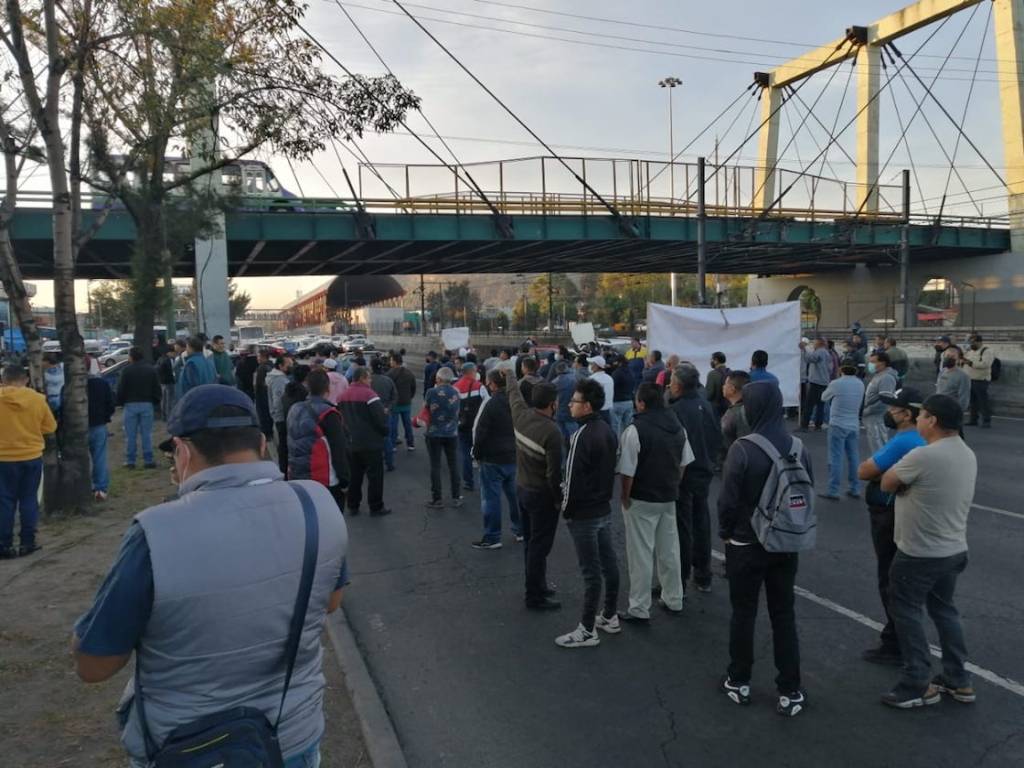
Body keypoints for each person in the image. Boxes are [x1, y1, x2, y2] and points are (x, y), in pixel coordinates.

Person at [71, 384, 348, 767]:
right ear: (262, 444)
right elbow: (331, 602)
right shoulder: (317, 504)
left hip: (188, 745)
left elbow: (94, 664)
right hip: (293, 734)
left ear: (182, 451)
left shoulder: (155, 532)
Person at [718, 381, 812, 716]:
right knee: (783, 614)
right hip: (786, 544)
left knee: (744, 613)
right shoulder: (798, 446)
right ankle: (791, 689)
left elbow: (727, 501)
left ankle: (739, 679)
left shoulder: (742, 449)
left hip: (746, 543)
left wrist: (725, 534)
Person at [879, 394, 977, 708]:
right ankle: (957, 679)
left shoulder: (924, 455)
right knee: (944, 611)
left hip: (919, 552)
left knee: (906, 612)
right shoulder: (966, 452)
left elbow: (887, 482)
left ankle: (917, 681)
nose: (918, 420)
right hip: (953, 548)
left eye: (922, 416)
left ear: (932, 420)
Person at [857, 387, 927, 667]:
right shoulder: (926, 438)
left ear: (907, 414)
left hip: (888, 513)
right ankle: (898, 637)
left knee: (889, 577)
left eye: (893, 408)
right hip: (910, 514)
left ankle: (896, 644)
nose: (888, 412)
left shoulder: (904, 440)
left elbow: (865, 470)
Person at [617, 382, 693, 623]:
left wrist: (625, 497)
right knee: (669, 550)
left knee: (640, 554)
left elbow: (627, 471)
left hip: (641, 497)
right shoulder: (678, 427)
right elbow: (684, 462)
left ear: (641, 403)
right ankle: (674, 598)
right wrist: (673, 485)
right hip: (668, 496)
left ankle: (639, 607)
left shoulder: (635, 429)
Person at [555, 378, 619, 648]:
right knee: (609, 564)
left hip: (584, 514)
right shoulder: (606, 429)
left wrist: (566, 510)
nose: (570, 404)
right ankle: (609, 614)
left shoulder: (580, 435)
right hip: (603, 507)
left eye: (575, 401)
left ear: (588, 406)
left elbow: (570, 479)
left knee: (591, 572)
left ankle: (587, 629)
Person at [504, 370, 563, 611]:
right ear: (552, 404)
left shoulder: (521, 415)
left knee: (531, 543)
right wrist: (559, 500)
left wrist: (508, 373)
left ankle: (538, 585)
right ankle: (534, 596)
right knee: (540, 547)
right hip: (542, 496)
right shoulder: (552, 432)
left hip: (523, 489)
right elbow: (554, 474)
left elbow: (513, 394)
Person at [668, 365, 722, 594]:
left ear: (678, 385)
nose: (669, 385)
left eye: (671, 381)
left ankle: (679, 578)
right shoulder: (705, 405)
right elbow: (716, 436)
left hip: (686, 474)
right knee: (701, 522)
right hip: (704, 470)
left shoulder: (677, 409)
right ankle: (703, 574)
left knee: (682, 527)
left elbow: (675, 446)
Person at [0, 364, 57, 559]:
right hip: (31, 456)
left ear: (3, 380)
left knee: (4, 501)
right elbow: (50, 427)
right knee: (28, 499)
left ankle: (4, 545)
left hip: (3, 458)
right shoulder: (37, 400)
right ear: (25, 380)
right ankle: (27, 542)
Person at [471, 370, 521, 549]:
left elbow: (481, 431)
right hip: (513, 454)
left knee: (491, 498)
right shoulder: (516, 401)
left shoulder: (491, 404)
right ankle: (520, 529)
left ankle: (492, 536)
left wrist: (476, 453)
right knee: (514, 495)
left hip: (492, 457)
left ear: (492, 384)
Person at [287, 369, 350, 512]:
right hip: (323, 479)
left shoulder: (294, 409)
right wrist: (345, 480)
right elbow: (339, 450)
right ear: (328, 388)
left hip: (297, 476)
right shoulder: (328, 414)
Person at [338, 367, 391, 517]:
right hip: (371, 442)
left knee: (355, 475)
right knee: (375, 476)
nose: (370, 381)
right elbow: (379, 418)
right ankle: (376, 506)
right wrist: (385, 432)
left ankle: (353, 505)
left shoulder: (342, 396)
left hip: (352, 442)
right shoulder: (369, 394)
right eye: (368, 378)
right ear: (362, 378)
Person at [819, 356, 865, 501]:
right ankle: (855, 488)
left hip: (838, 424)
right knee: (853, 457)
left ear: (840, 369)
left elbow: (823, 397)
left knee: (835, 457)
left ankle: (833, 490)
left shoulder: (836, 383)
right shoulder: (860, 384)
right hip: (854, 424)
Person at [422, 366, 462, 508]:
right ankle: (456, 497)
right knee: (453, 465)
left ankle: (437, 499)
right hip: (451, 433)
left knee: (435, 466)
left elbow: (425, 410)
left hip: (434, 433)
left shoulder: (431, 392)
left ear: (438, 379)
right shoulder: (457, 392)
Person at [117, 347, 162, 470]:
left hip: (130, 404)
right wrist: (155, 401)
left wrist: (120, 402)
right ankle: (149, 460)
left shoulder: (126, 371)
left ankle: (130, 460)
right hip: (147, 403)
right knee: (146, 434)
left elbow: (121, 389)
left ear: (131, 357)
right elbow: (156, 388)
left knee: (130, 435)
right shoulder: (150, 370)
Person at [451, 361, 485, 493]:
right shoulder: (479, 386)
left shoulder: (455, 387)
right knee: (481, 453)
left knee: (465, 453)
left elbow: (453, 408)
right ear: (471, 372)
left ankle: (468, 482)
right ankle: (484, 482)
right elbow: (487, 405)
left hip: (463, 425)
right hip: (478, 425)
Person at [88, 370, 116, 502]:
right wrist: (105, 417)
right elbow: (110, 403)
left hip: (77, 427)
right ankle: (100, 488)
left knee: (81, 459)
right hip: (98, 424)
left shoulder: (69, 386)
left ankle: (84, 487)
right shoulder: (102, 384)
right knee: (100, 457)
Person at [864, 351, 899, 454]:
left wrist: (867, 411)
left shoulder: (886, 378)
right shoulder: (879, 375)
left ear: (882, 363)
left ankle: (881, 468)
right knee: (875, 446)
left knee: (879, 447)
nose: (870, 365)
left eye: (873, 362)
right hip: (872, 417)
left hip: (877, 418)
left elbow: (885, 400)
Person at [267, 355, 294, 475]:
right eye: (288, 365)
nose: (291, 367)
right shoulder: (279, 380)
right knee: (284, 446)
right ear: (280, 366)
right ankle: (283, 471)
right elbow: (278, 401)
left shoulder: (281, 378)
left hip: (280, 417)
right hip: (282, 418)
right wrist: (280, 417)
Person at [369, 357, 397, 471]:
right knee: (387, 439)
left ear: (371, 367)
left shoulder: (368, 381)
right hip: (385, 413)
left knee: (371, 440)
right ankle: (390, 464)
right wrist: (388, 408)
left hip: (371, 415)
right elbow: (394, 397)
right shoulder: (388, 380)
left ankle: (373, 465)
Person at [387, 352, 417, 452]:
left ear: (395, 362)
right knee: (407, 424)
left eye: (391, 360)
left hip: (395, 404)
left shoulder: (390, 374)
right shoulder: (409, 373)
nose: (390, 362)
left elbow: (388, 389)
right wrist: (409, 397)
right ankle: (410, 444)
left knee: (393, 425)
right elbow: (413, 388)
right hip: (406, 403)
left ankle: (393, 444)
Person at [799, 338, 831, 431]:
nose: (813, 345)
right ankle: (818, 424)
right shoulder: (826, 353)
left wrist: (803, 349)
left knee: (809, 404)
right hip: (824, 381)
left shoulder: (819, 352)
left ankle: (804, 425)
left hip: (816, 382)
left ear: (818, 344)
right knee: (820, 405)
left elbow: (810, 359)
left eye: (814, 343)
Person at [962, 333, 993, 428]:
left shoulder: (986, 351)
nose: (971, 345)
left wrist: (970, 363)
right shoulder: (969, 351)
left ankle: (986, 420)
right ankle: (973, 419)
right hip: (969, 379)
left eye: (973, 343)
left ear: (979, 342)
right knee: (972, 402)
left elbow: (985, 364)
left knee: (983, 401)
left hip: (980, 380)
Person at [720, 371, 752, 456]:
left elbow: (743, 444)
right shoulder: (749, 406)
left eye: (725, 384)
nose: (723, 387)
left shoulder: (737, 413)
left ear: (732, 389)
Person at [936, 347, 970, 413]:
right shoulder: (942, 371)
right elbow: (938, 389)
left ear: (958, 359)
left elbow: (964, 397)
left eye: (952, 356)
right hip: (939, 407)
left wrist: (959, 411)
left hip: (952, 410)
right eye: (947, 356)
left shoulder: (963, 376)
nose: (949, 358)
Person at [253, 350, 275, 445]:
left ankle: (266, 434)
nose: (257, 359)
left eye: (259, 357)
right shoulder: (271, 366)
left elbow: (259, 383)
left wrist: (256, 392)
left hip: (262, 394)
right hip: (268, 394)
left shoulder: (262, 368)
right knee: (268, 413)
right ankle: (269, 433)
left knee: (263, 414)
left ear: (263, 357)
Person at [610, 353, 635, 436]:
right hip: (629, 402)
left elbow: (612, 386)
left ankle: (616, 446)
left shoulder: (617, 373)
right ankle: (627, 445)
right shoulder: (631, 372)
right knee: (628, 427)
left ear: (619, 362)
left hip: (617, 402)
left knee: (615, 427)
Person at [587, 355, 615, 427]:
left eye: (592, 364)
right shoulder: (609, 378)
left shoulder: (591, 379)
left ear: (596, 366)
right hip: (608, 411)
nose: (590, 366)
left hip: (596, 412)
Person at [705, 352, 730, 417]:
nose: (710, 362)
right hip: (729, 408)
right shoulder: (731, 372)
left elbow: (709, 395)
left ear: (716, 361)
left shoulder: (712, 374)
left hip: (717, 411)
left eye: (711, 359)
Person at [156, 346, 177, 421]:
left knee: (163, 400)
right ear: (170, 352)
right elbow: (171, 372)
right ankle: (169, 416)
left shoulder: (160, 359)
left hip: (162, 382)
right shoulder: (168, 360)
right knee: (169, 400)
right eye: (174, 353)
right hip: (169, 382)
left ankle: (164, 416)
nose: (175, 355)